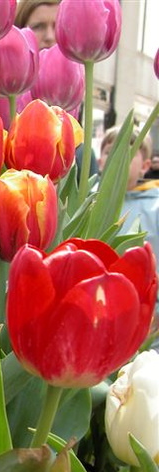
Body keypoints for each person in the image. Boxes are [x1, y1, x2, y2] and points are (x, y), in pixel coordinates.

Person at [15, 0, 99, 179]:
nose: (50, 36)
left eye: (58, 25)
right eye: (38, 26)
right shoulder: (0, 110)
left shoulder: (82, 153)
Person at [99, 127, 159, 346]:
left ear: (145, 166)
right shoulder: (88, 200)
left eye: (129, 152)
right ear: (99, 160)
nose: (117, 157)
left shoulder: (155, 207)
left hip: (142, 315)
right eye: (109, 151)